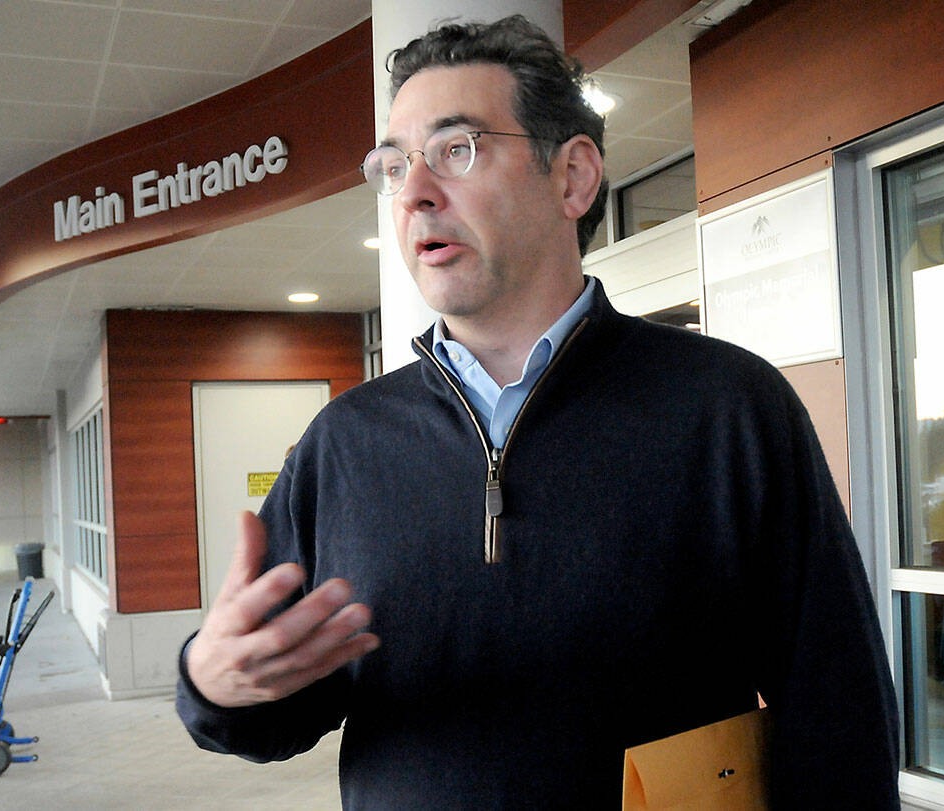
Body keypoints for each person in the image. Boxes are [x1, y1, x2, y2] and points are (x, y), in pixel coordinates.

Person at [176, 15, 900, 808]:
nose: (414, 192)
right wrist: (213, 681)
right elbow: (280, 710)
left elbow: (838, 717)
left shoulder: (729, 409)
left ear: (573, 177)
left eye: (457, 149)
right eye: (394, 165)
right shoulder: (345, 444)